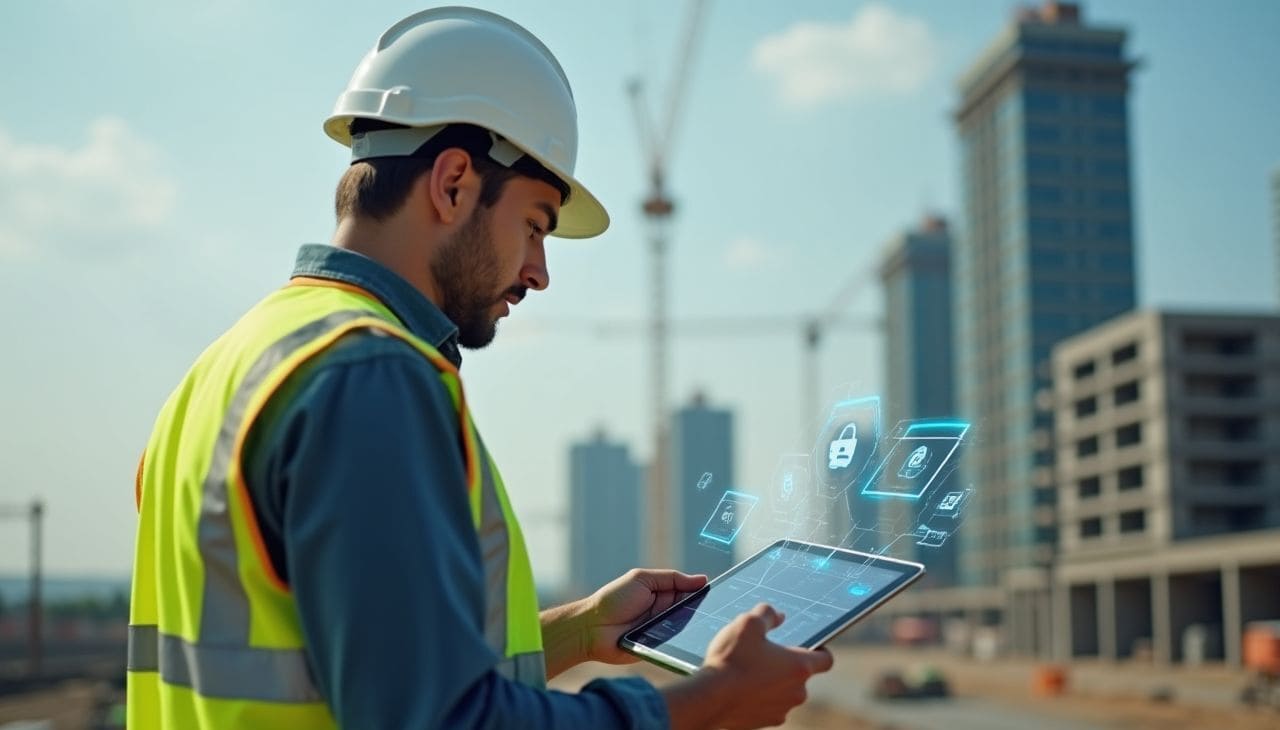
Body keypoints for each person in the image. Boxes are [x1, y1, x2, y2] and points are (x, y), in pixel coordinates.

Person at [126, 7, 832, 729]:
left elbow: (356, 662)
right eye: (534, 224)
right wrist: (713, 701)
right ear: (455, 182)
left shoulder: (230, 367)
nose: (540, 271)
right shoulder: (370, 377)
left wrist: (580, 630)